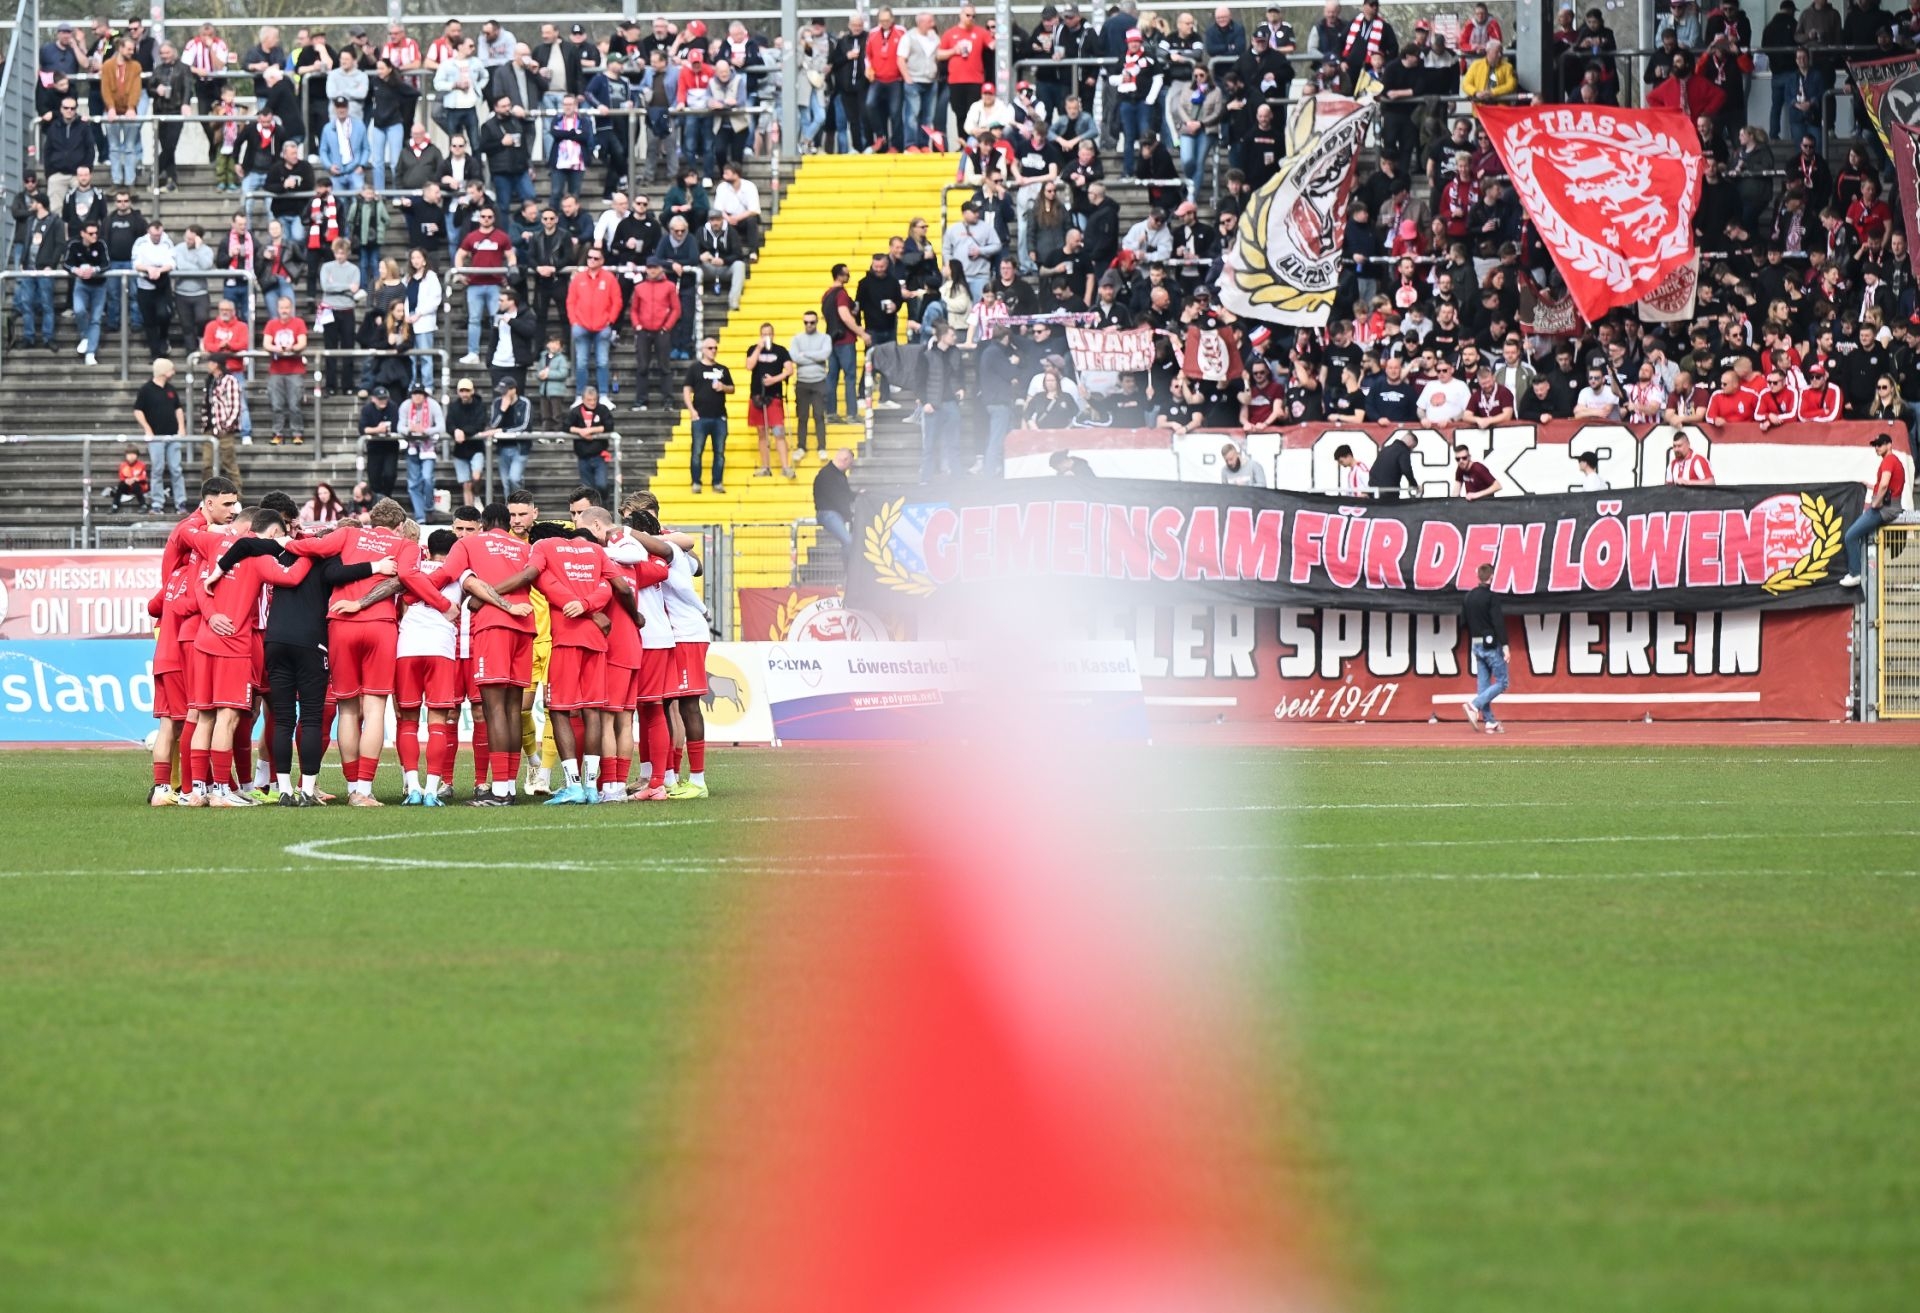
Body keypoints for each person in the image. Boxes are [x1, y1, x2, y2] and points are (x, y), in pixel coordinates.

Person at [281, 497, 462, 804]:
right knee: (375, 708)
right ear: (400, 525)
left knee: (348, 710)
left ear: (372, 521)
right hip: (380, 625)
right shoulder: (405, 546)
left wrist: (285, 540)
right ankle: (364, 791)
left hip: (340, 622)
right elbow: (409, 578)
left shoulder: (349, 534)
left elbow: (311, 547)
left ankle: (352, 786)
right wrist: (443, 604)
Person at [1840, 432, 1908, 587]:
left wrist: (1876, 503)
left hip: (1884, 509)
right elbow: (1888, 486)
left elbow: (1884, 485)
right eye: (1875, 445)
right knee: (1863, 537)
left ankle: (1855, 573)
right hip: (1892, 506)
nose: (1877, 447)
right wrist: (1869, 486)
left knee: (1850, 536)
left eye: (1880, 444)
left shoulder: (1889, 460)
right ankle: (1862, 572)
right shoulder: (1895, 461)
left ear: (1889, 445)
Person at [566, 244, 622, 399]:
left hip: (602, 326)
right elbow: (571, 301)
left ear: (602, 261)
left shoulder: (609, 278)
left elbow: (617, 301)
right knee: (581, 363)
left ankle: (603, 395)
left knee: (602, 362)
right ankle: (580, 396)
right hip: (581, 325)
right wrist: (574, 321)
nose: (591, 260)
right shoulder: (578, 278)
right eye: (589, 257)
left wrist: (610, 320)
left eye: (595, 258)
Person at [1461, 562, 1507, 733]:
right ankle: (1474, 705)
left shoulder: (1468, 597)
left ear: (1478, 576)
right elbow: (1498, 622)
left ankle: (1489, 721)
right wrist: (1505, 645)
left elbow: (1462, 622)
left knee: (1484, 685)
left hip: (1476, 643)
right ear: (1491, 577)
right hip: (1491, 645)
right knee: (1502, 682)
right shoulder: (1492, 598)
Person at [685, 335, 735, 494]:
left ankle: (717, 482)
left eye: (715, 348)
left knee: (719, 452)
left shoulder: (723, 369)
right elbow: (686, 390)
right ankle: (696, 482)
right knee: (697, 452)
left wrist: (723, 387)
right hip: (700, 416)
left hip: (719, 417)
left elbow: (732, 388)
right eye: (710, 348)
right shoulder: (694, 368)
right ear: (703, 349)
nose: (713, 351)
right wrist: (692, 410)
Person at [747, 323, 796, 479]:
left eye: (769, 334)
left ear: (773, 335)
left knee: (778, 431)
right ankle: (765, 466)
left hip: (774, 396)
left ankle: (785, 466)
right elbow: (749, 366)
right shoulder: (753, 349)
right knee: (762, 432)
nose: (766, 336)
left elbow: (789, 370)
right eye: (764, 334)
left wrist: (774, 379)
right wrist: (758, 348)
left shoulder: (781, 351)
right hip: (757, 396)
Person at [399, 382, 445, 522]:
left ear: (425, 395)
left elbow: (441, 426)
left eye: (420, 393)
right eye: (415, 393)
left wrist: (426, 431)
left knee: (427, 478)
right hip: (412, 447)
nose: (417, 396)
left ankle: (429, 507)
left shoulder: (433, 405)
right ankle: (420, 516)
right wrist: (410, 429)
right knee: (413, 484)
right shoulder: (405, 405)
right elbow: (400, 426)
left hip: (428, 446)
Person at [790, 310, 833, 455]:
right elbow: (794, 357)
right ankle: (801, 447)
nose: (809, 325)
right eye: (806, 322)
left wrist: (805, 354)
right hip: (802, 382)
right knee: (802, 416)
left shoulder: (825, 338)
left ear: (817, 322)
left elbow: (825, 355)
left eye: (812, 322)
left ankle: (822, 447)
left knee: (819, 415)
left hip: (819, 381)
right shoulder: (797, 339)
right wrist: (815, 358)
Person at [481, 378, 533, 492]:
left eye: (505, 391)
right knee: (506, 484)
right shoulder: (497, 402)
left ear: (513, 390)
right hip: (502, 448)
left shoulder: (524, 403)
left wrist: (502, 431)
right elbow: (493, 425)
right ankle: (510, 504)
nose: (502, 394)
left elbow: (524, 426)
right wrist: (502, 410)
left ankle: (520, 501)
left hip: (519, 448)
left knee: (514, 478)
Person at [568, 385, 615, 496]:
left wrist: (591, 430)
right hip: (583, 456)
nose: (592, 402)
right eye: (589, 400)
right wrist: (580, 431)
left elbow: (609, 426)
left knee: (602, 485)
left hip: (599, 455)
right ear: (583, 399)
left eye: (594, 399)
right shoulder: (576, 411)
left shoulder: (602, 409)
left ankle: (604, 501)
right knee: (587, 489)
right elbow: (566, 426)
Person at [814, 448, 857, 557]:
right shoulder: (826, 475)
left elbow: (845, 495)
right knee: (848, 541)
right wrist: (849, 515)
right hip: (828, 513)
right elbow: (838, 498)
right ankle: (848, 566)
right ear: (845, 460)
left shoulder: (837, 475)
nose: (849, 467)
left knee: (849, 541)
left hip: (832, 513)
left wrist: (858, 494)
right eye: (850, 464)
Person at [1367, 429, 1419, 500]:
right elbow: (1406, 470)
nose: (1411, 450)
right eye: (1412, 448)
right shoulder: (1403, 451)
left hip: (1373, 491)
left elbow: (1373, 470)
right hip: (1388, 493)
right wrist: (1415, 485)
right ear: (1411, 443)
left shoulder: (1385, 449)